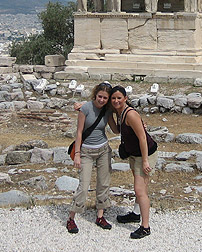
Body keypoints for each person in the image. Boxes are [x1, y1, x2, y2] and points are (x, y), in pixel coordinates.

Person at [66, 82, 118, 233]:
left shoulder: (108, 111)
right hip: (86, 151)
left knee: (104, 183)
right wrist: (77, 155)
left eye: (105, 98)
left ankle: (100, 216)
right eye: (100, 97)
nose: (102, 100)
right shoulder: (85, 108)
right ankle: (71, 218)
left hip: (103, 150)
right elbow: (79, 132)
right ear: (95, 95)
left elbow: (114, 129)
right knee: (83, 186)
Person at [110, 86, 158, 239]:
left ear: (125, 98)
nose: (116, 101)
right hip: (134, 154)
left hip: (144, 154)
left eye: (119, 98)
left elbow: (143, 137)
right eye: (113, 98)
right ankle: (136, 214)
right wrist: (108, 114)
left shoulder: (130, 114)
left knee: (140, 190)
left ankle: (145, 227)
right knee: (140, 187)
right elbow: (117, 131)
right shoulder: (119, 113)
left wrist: (145, 161)